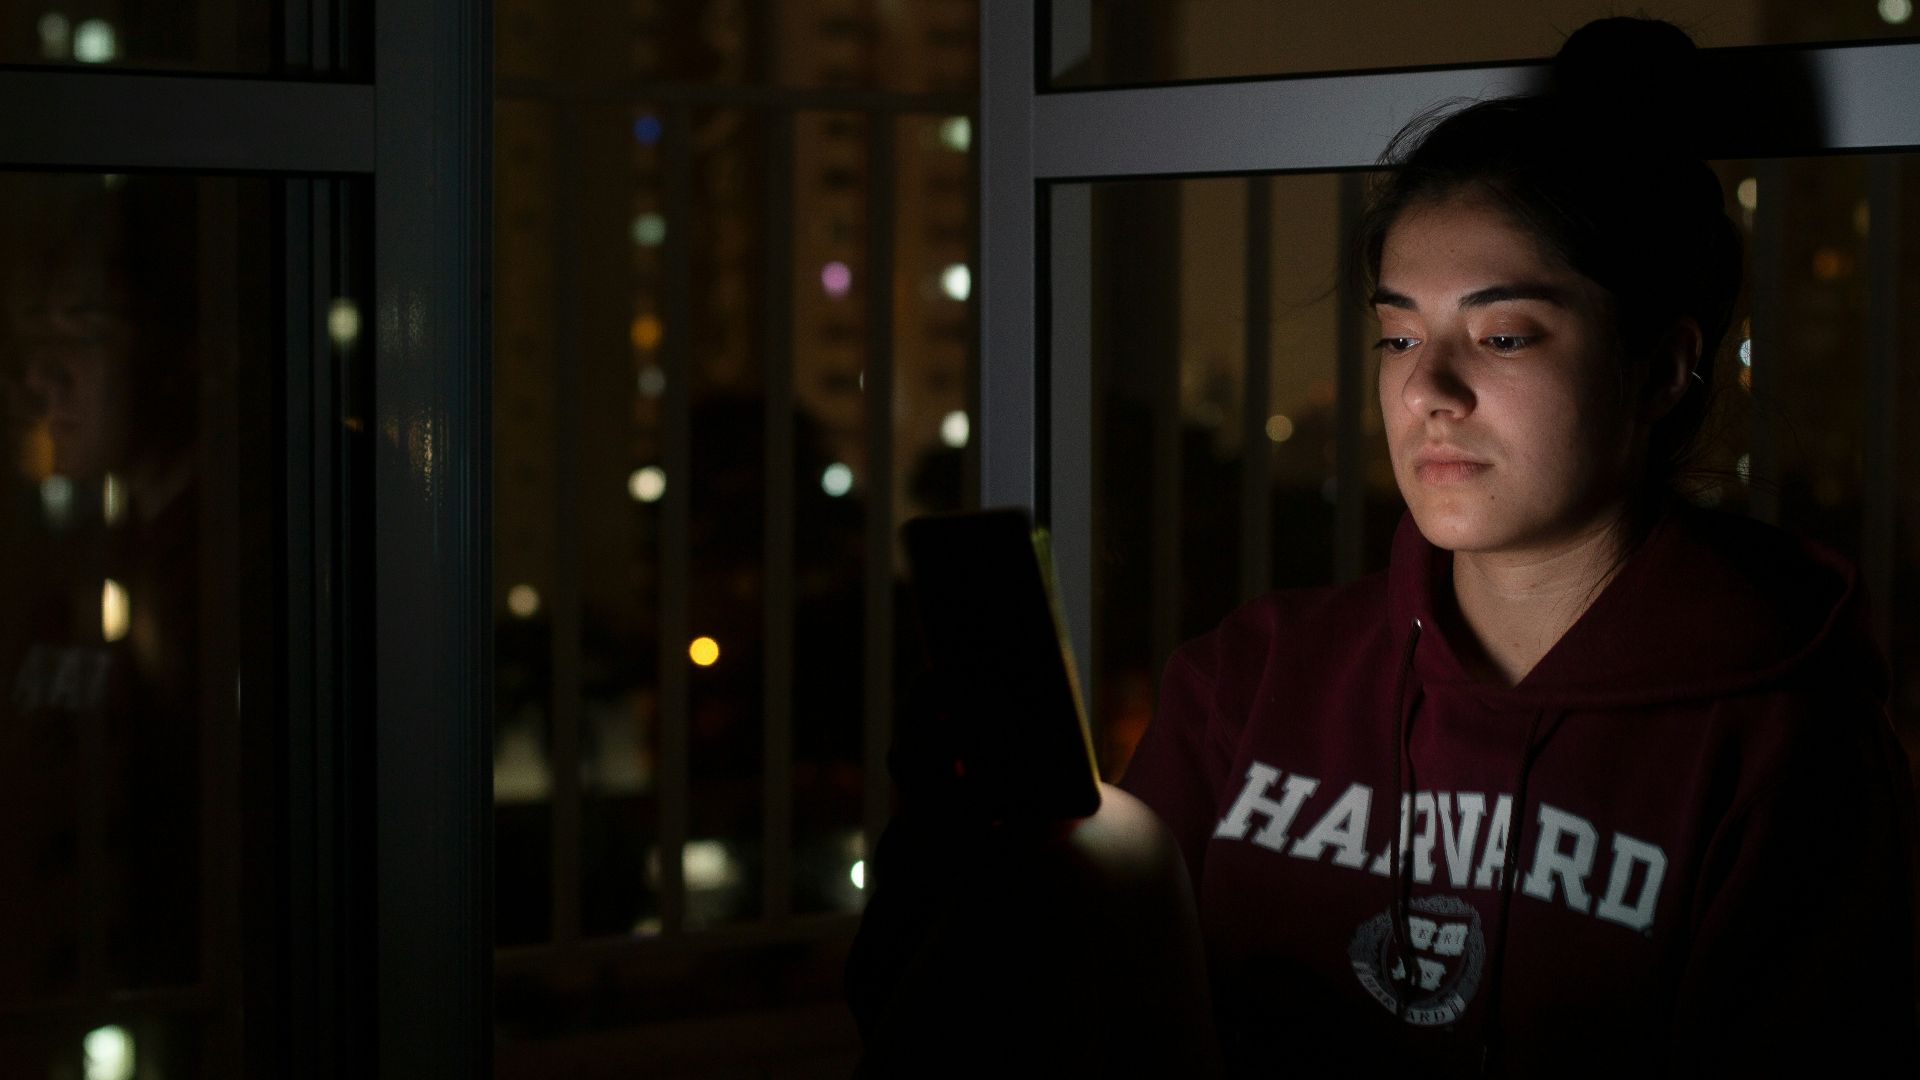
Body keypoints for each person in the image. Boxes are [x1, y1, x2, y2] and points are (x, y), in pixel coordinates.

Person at [851, 16, 1917, 1075]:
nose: (1427, 391)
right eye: (1399, 335)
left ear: (1661, 369)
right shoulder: (1255, 676)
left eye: (1501, 337)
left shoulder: (1785, 740)